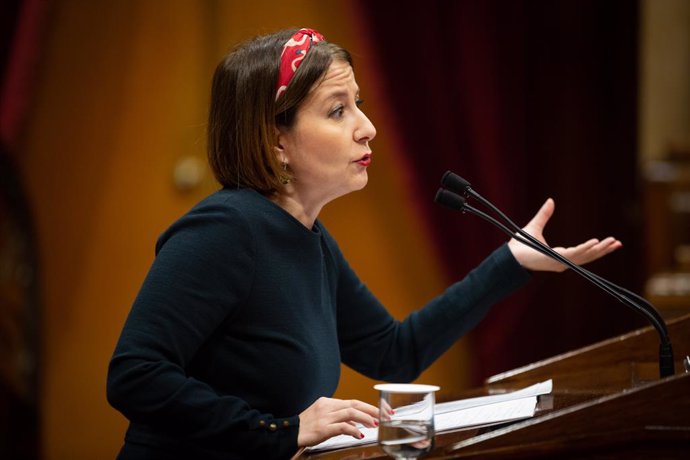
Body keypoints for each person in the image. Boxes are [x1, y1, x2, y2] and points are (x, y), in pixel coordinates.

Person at [106, 28, 622, 459]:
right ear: (275, 141)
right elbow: (135, 374)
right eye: (337, 111)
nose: (368, 128)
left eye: (359, 105)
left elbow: (394, 353)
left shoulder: (309, 239)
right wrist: (276, 431)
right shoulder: (225, 231)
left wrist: (511, 261)